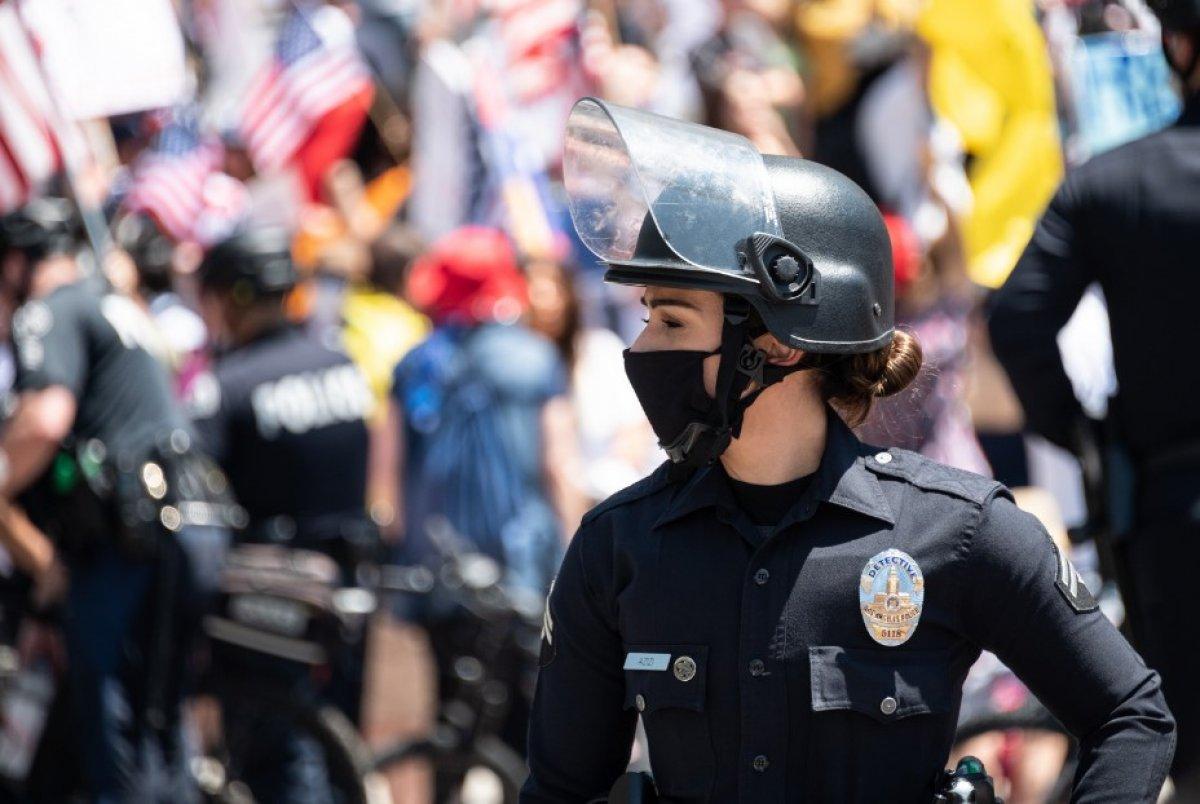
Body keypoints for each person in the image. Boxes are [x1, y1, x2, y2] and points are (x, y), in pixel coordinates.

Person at [521, 98, 1175, 803]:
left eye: (672, 318)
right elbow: (560, 790)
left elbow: (1131, 716)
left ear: (779, 342)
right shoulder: (616, 546)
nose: (642, 349)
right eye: (647, 316)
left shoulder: (960, 531)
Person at [987, 0, 1200, 795]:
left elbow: (1016, 317)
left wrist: (1079, 434)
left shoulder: (1111, 182)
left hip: (1170, 512)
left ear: (1177, 46)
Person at [0, 198, 232, 802]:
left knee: (115, 723)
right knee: (160, 716)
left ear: (17, 264)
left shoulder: (50, 311)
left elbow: (46, 421)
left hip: (132, 534)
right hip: (191, 517)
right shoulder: (113, 302)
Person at [187, 229, 375, 802]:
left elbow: (195, 489)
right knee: (339, 742)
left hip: (268, 596)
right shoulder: (342, 364)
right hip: (349, 579)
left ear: (234, 298)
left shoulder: (229, 385)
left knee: (279, 754)